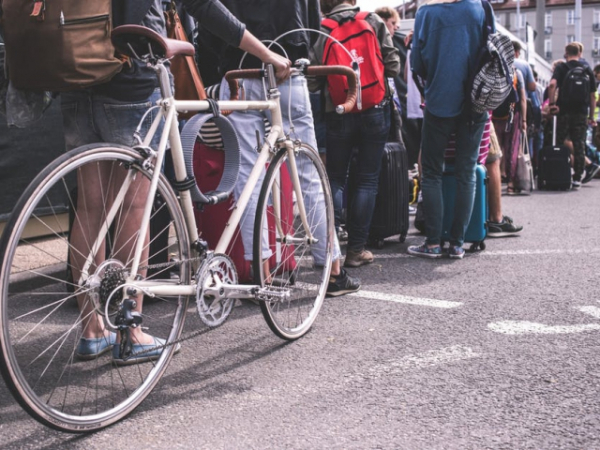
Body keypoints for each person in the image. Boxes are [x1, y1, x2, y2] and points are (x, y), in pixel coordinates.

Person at [72, 0, 297, 364]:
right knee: (135, 205)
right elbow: (204, 5)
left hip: (78, 69)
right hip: (131, 71)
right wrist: (264, 53)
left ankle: (92, 330)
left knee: (91, 206)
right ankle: (131, 332)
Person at [195, 0, 361, 296]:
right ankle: (332, 269)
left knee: (248, 175)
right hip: (287, 68)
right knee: (309, 175)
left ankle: (260, 271)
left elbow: (208, 29)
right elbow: (310, 22)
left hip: (237, 73)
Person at [310, 0, 400, 268]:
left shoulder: (321, 29)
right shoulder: (372, 20)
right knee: (367, 180)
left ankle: (332, 249)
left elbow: (313, 80)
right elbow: (393, 66)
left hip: (338, 110)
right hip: (375, 108)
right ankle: (356, 251)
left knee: (336, 179)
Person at [407, 0, 489, 259]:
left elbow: (417, 63)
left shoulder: (426, 13)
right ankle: (457, 243)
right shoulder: (480, 8)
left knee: (431, 172)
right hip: (475, 102)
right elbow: (492, 50)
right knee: (467, 172)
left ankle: (432, 242)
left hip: (440, 100)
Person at [546, 42, 596, 189]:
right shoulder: (587, 70)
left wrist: (552, 104)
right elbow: (593, 95)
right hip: (581, 112)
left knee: (561, 141)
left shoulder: (562, 67)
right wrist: (591, 116)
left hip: (564, 111)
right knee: (579, 144)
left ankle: (561, 172)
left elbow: (552, 85)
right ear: (580, 53)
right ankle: (577, 178)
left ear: (566, 52)